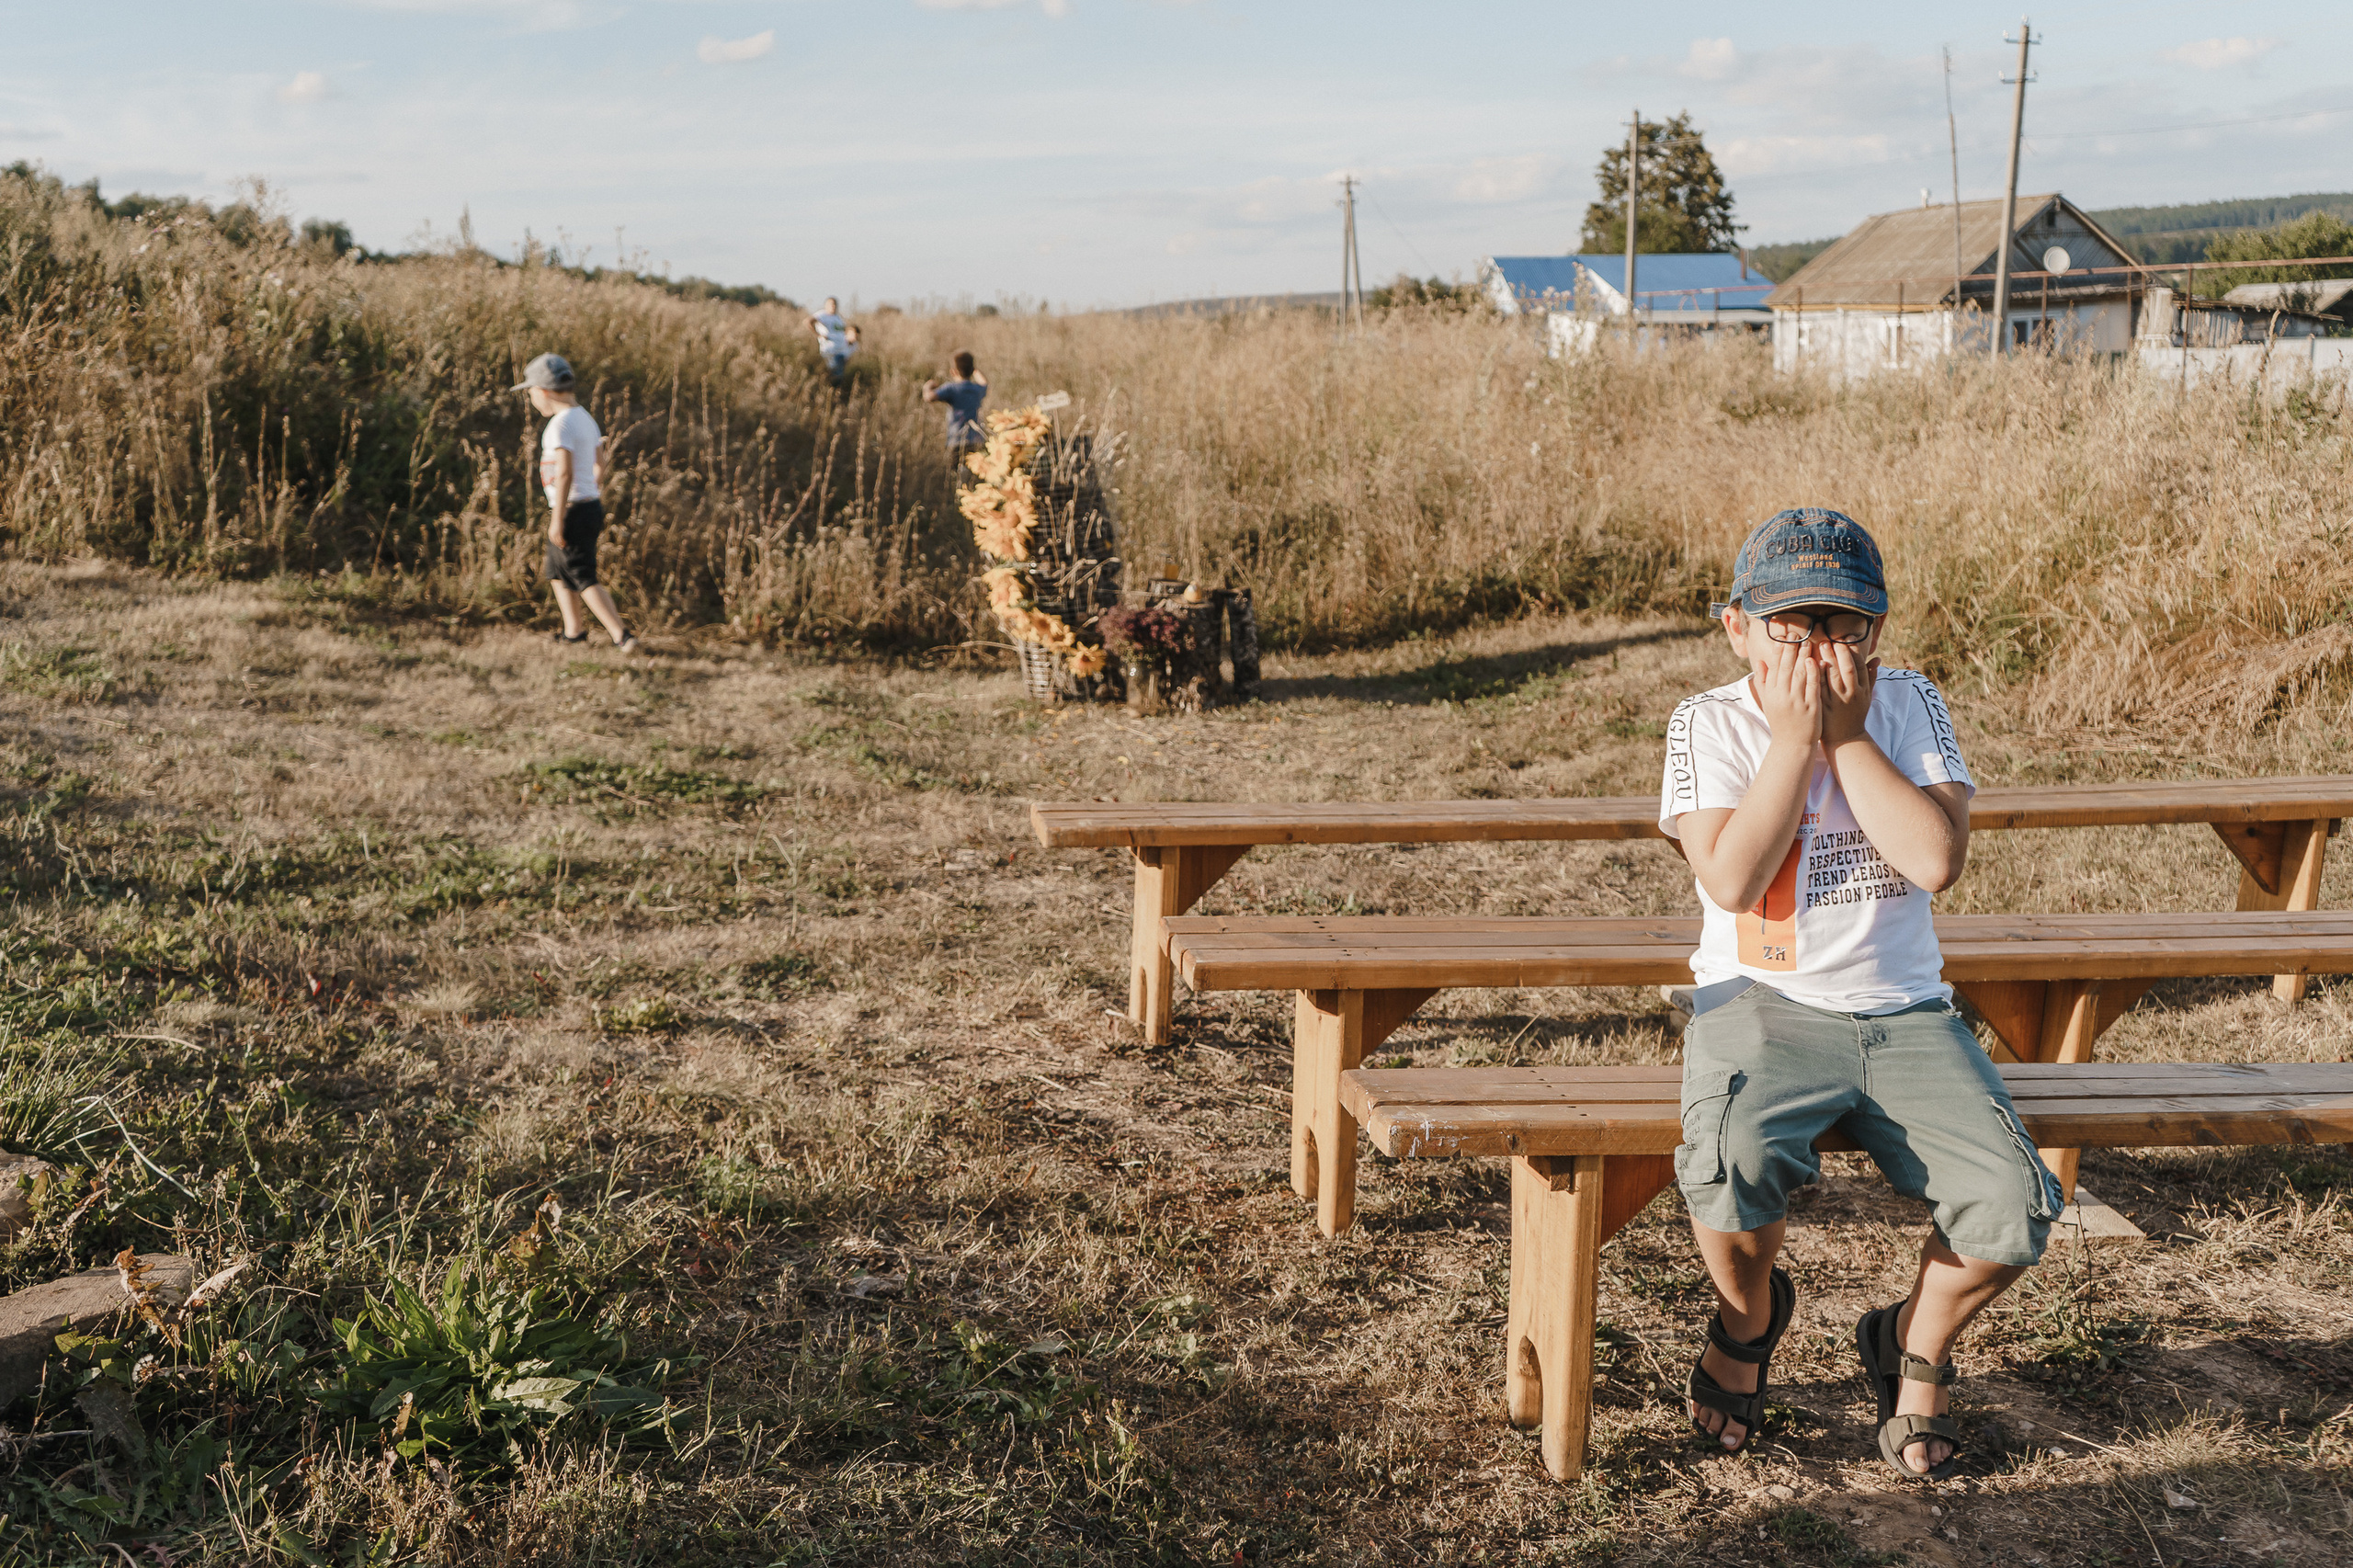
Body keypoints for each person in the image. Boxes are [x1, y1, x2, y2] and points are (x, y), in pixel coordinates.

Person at [1657, 507, 2056, 1480]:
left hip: (1904, 1008)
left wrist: (1843, 738)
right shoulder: (1709, 721)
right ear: (1738, 626)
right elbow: (1732, 881)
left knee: (2011, 1204)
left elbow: (1932, 857)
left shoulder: (1907, 703)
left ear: (1876, 630)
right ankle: (1749, 1322)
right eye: (1791, 625)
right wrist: (1792, 744)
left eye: (1843, 625)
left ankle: (1912, 1350)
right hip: (1759, 1000)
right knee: (1731, 1159)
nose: (1818, 648)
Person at [515, 352, 634, 653]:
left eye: (530, 393)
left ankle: (623, 636)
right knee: (556, 571)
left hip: (571, 510)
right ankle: (574, 632)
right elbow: (600, 465)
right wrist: (591, 489)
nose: (530, 399)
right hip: (586, 505)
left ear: (542, 392)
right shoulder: (584, 418)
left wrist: (558, 518)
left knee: (582, 574)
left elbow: (564, 472)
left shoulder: (559, 425)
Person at [921, 351, 989, 465]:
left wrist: (927, 386)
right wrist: (975, 370)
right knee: (974, 472)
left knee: (956, 473)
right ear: (972, 370)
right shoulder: (976, 390)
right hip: (975, 440)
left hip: (956, 439)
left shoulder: (951, 388)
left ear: (953, 372)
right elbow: (985, 383)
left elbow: (929, 397)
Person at [809, 297, 852, 383]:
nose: (833, 306)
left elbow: (843, 332)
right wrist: (818, 335)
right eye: (831, 304)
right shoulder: (822, 315)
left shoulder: (838, 318)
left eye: (835, 304)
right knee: (835, 376)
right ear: (826, 305)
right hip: (830, 351)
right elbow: (808, 322)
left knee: (837, 374)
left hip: (841, 351)